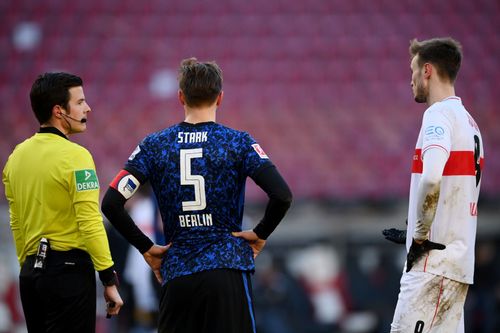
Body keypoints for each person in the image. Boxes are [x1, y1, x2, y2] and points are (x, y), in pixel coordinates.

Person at [101, 57, 292, 333]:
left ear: (181, 97)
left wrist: (146, 248)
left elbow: (111, 203)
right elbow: (282, 195)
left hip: (177, 273)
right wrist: (261, 233)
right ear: (220, 98)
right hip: (227, 270)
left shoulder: (155, 145)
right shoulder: (238, 142)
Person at [2, 72, 123, 332]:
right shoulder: (77, 157)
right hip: (68, 273)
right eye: (80, 102)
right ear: (59, 111)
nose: (87, 107)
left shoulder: (15, 158)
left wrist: (29, 263)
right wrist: (109, 278)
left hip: (31, 273)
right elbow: (90, 221)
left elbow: (16, 220)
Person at [387, 38, 484, 332]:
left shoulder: (437, 116)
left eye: (413, 71)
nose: (411, 80)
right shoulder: (470, 123)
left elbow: (431, 177)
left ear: (427, 70)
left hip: (432, 266)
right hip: (456, 266)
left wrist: (418, 235)